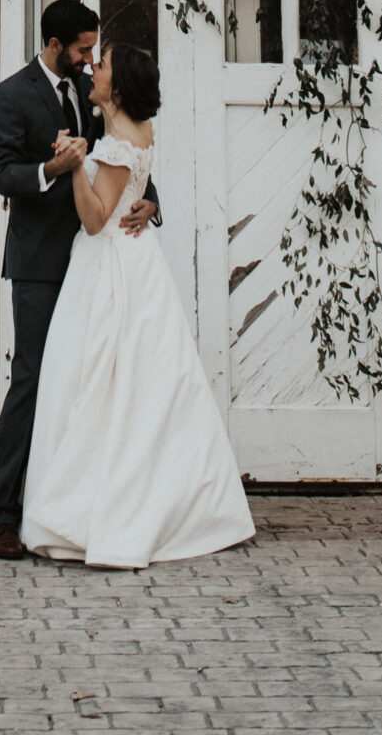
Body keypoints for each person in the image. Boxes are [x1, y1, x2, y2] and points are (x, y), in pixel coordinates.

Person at [20, 41, 256, 569]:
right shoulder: (136, 133)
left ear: (118, 86)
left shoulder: (116, 142)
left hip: (107, 267)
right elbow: (133, 190)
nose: (93, 70)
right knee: (140, 385)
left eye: (100, 66)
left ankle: (93, 509)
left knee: (98, 382)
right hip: (137, 261)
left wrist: (74, 164)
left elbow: (95, 218)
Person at [0, 0, 157, 560]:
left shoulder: (93, 90)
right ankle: (3, 515)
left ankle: (72, 506)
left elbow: (127, 156)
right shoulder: (9, 96)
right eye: (83, 49)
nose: (89, 59)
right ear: (54, 45)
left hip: (96, 262)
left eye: (93, 51)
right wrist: (50, 169)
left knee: (86, 386)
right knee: (32, 380)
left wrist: (150, 202)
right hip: (39, 263)